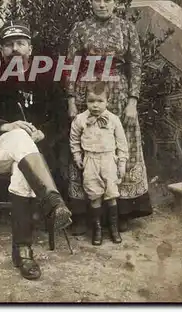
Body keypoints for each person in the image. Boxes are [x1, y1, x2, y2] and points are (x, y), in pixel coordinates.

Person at [0, 21, 72, 280]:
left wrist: (43, 132)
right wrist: (6, 126)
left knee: (22, 161)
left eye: (20, 44)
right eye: (9, 45)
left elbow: (61, 118)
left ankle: (23, 251)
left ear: (30, 48)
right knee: (18, 136)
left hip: (28, 160)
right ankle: (52, 200)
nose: (15, 49)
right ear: (2, 51)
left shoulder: (46, 78)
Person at [66, 0, 152, 235]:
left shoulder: (126, 29)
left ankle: (121, 211)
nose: (101, 4)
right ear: (90, 1)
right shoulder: (80, 28)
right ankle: (84, 214)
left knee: (120, 145)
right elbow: (70, 64)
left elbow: (135, 64)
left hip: (117, 93)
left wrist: (133, 101)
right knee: (85, 144)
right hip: (86, 93)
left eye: (107, 0)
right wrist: (71, 99)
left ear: (116, 2)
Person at [70, 81, 128, 245]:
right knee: (94, 194)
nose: (95, 105)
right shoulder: (80, 120)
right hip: (90, 159)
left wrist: (122, 163)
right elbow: (74, 140)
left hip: (109, 159)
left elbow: (122, 143)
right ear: (86, 101)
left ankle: (114, 229)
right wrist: (77, 156)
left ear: (107, 101)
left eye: (100, 101)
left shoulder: (114, 120)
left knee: (111, 194)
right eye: (91, 101)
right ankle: (97, 230)